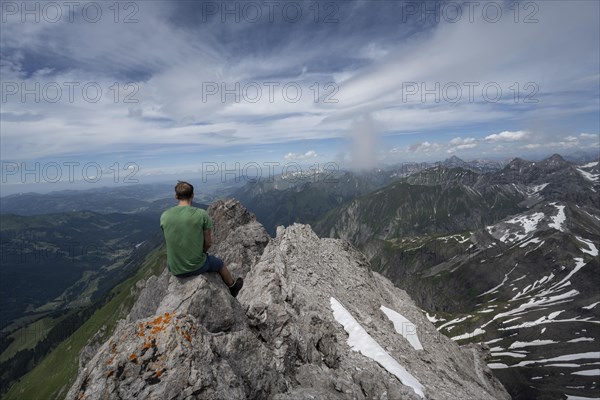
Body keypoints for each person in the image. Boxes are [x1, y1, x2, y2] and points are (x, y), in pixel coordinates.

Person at [160, 181, 243, 297]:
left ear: (176, 196)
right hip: (196, 266)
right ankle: (233, 287)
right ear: (193, 195)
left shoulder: (164, 216)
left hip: (174, 268)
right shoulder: (201, 214)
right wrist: (202, 252)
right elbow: (208, 242)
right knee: (219, 264)